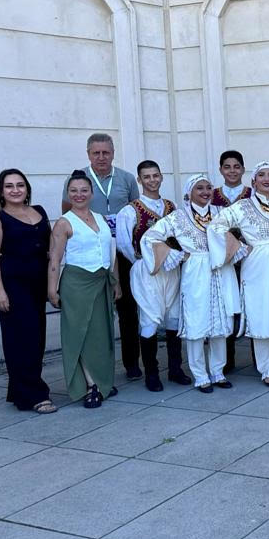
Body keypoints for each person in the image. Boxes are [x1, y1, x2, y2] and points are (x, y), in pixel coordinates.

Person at [142, 175, 245, 393]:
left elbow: (247, 225)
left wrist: (236, 247)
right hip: (196, 272)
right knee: (196, 324)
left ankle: (218, 372)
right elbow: (150, 237)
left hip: (221, 270)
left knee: (220, 323)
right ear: (190, 192)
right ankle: (200, 375)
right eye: (200, 188)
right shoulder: (178, 217)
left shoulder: (221, 212)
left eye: (208, 187)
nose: (205, 192)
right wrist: (178, 255)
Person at [209, 162, 269, 388]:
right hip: (259, 267)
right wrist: (238, 247)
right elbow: (216, 226)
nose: (266, 179)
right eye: (261, 175)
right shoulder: (243, 207)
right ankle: (266, 368)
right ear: (254, 181)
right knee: (263, 313)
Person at [62, 133, 142, 379]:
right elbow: (67, 215)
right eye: (96, 153)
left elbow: (137, 212)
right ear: (88, 154)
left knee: (128, 309)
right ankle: (98, 369)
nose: (101, 157)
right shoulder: (77, 181)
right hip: (93, 255)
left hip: (123, 252)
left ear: (113, 153)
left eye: (106, 152)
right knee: (97, 315)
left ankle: (131, 363)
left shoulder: (127, 179)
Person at [0, 169, 55, 414]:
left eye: (20, 185)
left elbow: (50, 250)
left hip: (38, 285)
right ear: (1, 191)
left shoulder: (40, 211)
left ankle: (20, 391)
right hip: (13, 285)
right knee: (21, 341)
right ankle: (35, 395)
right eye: (9, 186)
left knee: (36, 339)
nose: (15, 190)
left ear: (27, 188)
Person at [114, 161, 189, 392]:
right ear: (139, 180)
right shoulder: (130, 210)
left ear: (161, 177)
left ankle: (175, 369)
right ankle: (152, 374)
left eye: (155, 175)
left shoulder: (172, 207)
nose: (152, 180)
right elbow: (124, 245)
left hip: (172, 270)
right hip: (147, 272)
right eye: (146, 177)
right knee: (150, 319)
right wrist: (146, 262)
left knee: (174, 317)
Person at [48, 170, 119, 409]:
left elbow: (111, 251)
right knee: (82, 335)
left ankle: (102, 380)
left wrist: (115, 282)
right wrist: (52, 289)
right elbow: (55, 259)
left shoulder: (101, 218)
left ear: (91, 193)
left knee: (101, 335)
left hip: (102, 281)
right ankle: (91, 385)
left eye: (84, 190)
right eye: (74, 191)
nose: (79, 195)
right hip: (77, 284)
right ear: (68, 193)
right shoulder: (64, 222)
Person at [211, 149, 253, 374]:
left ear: (243, 169)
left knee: (253, 304)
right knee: (226, 305)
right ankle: (227, 359)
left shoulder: (253, 194)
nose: (232, 171)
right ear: (221, 170)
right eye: (227, 167)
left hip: (250, 258)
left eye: (236, 166)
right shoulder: (212, 195)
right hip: (224, 260)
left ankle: (259, 358)